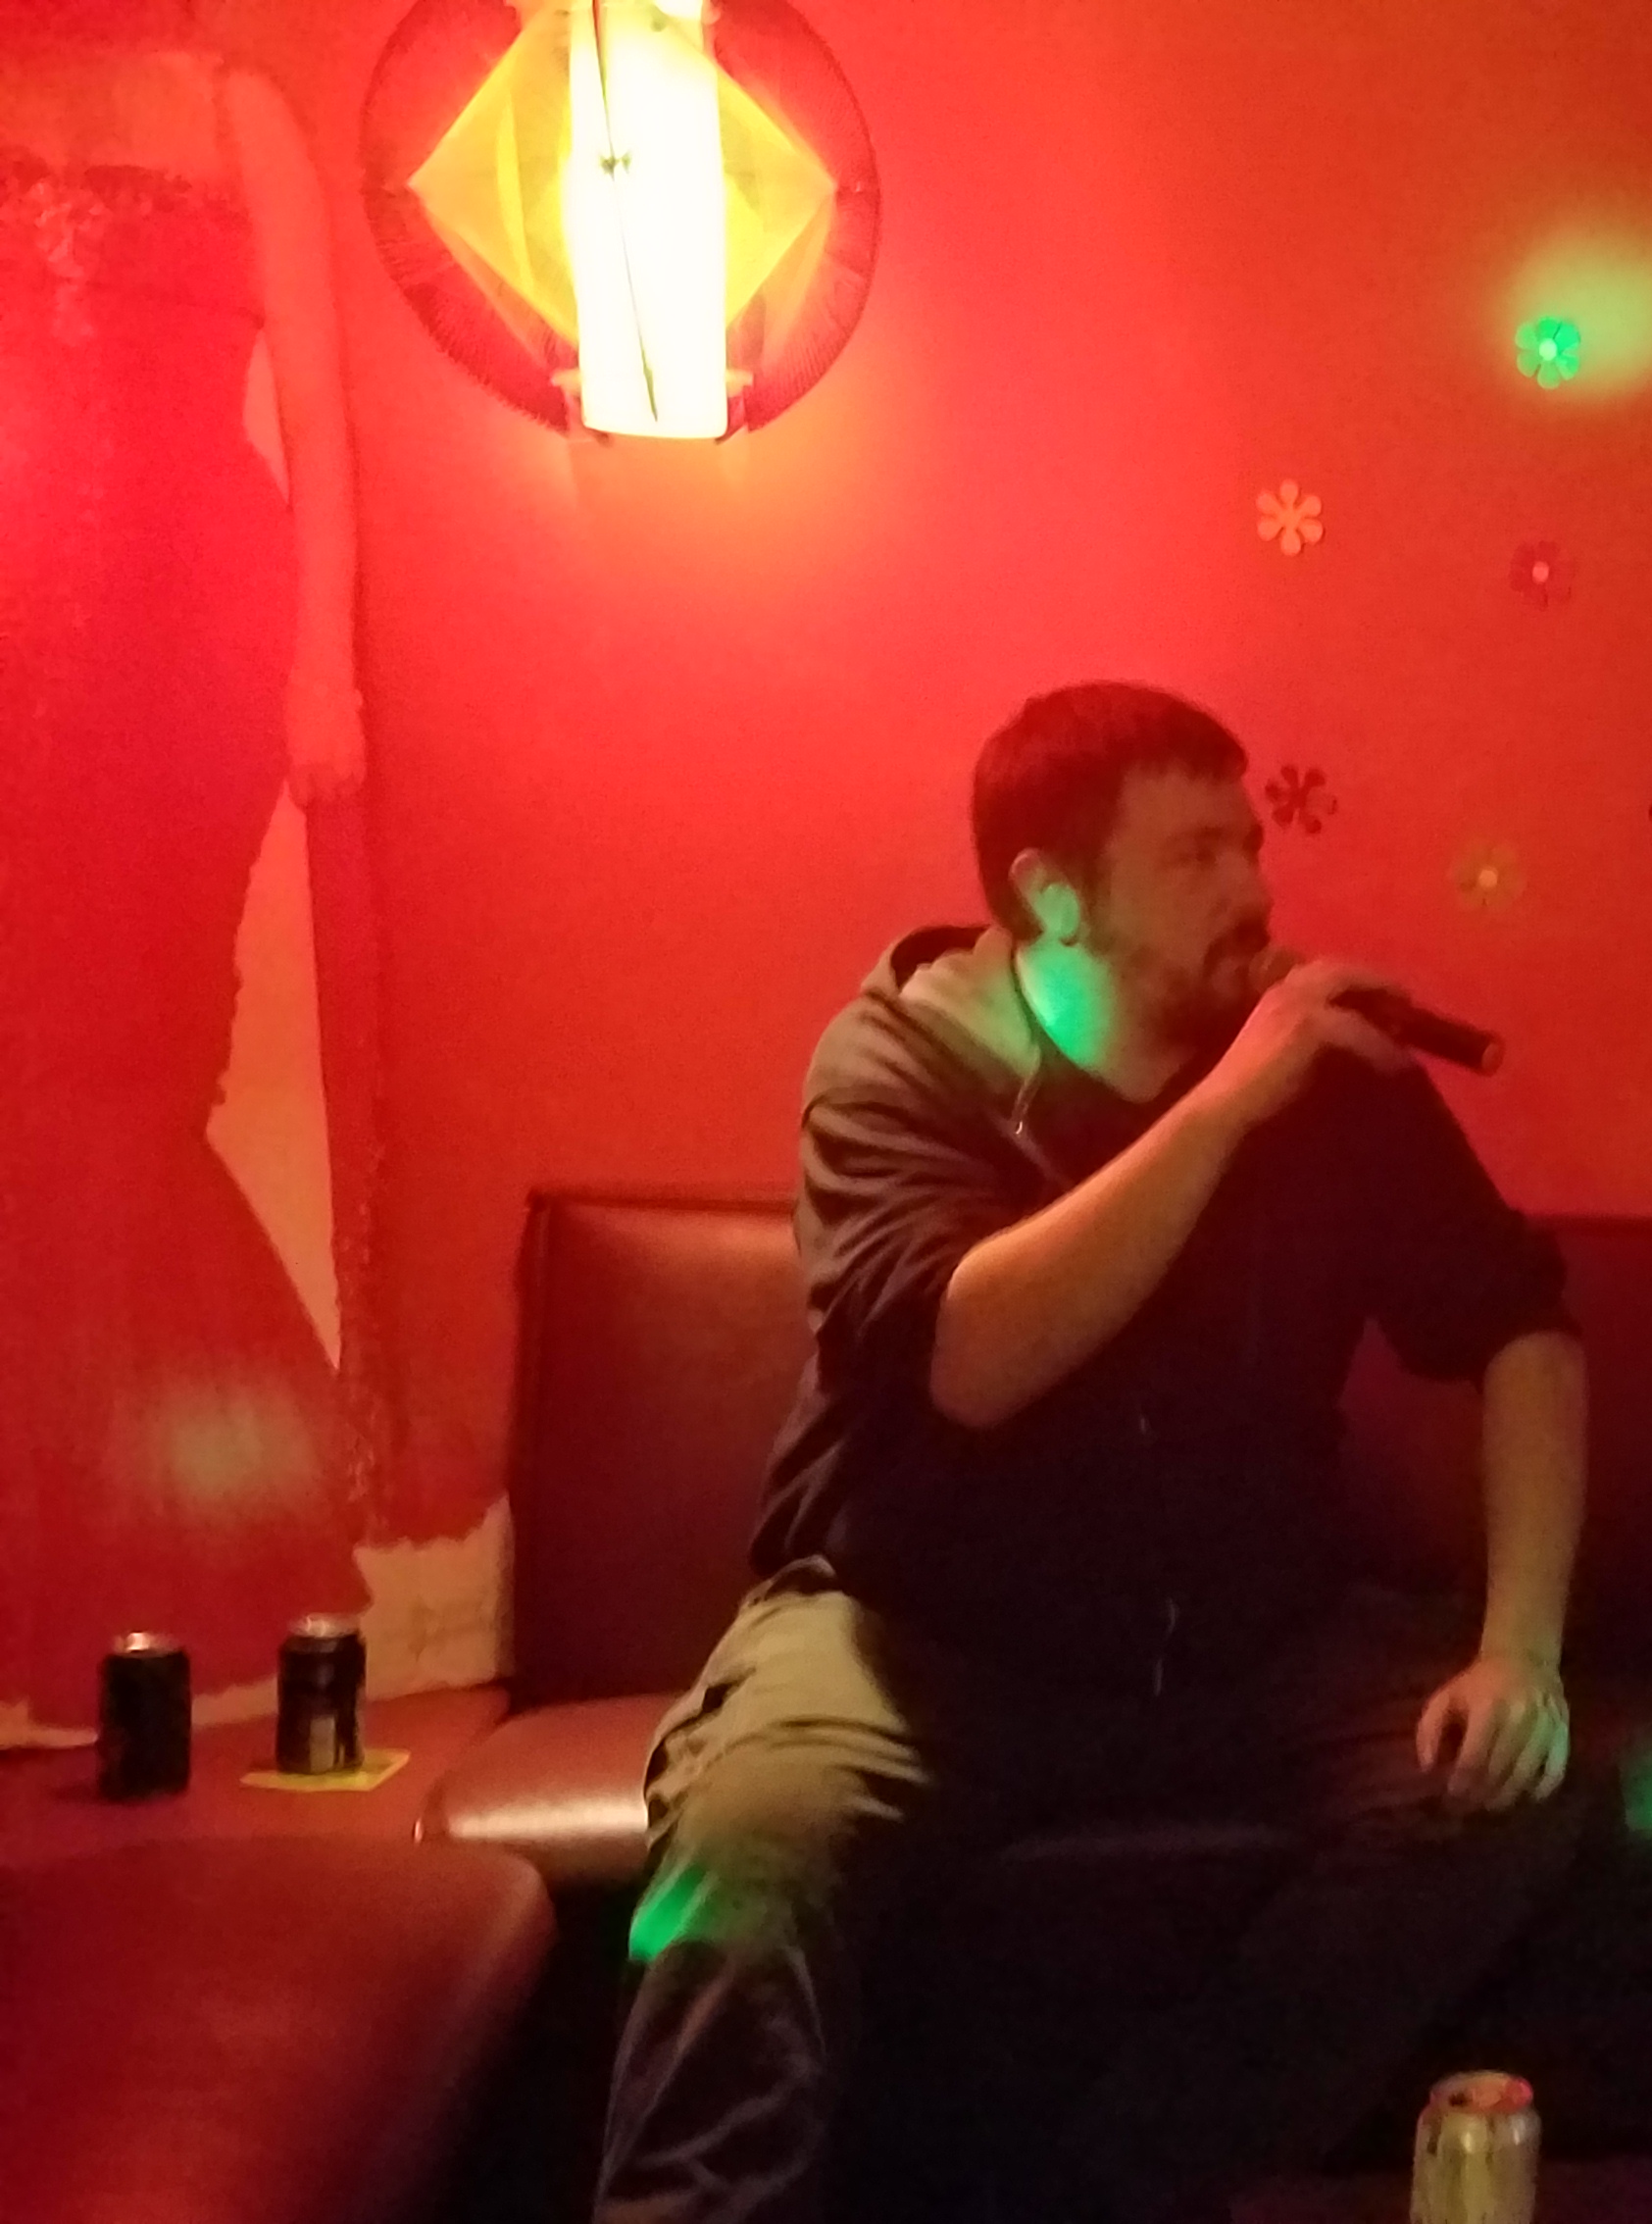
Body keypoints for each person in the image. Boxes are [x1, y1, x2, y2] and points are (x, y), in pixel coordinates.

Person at [594, 683, 1593, 2224]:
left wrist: (1519, 1647)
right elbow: (971, 1360)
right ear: (1051, 895)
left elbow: (1523, 1326)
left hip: (1248, 1648)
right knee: (749, 1854)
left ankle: (1112, 2189)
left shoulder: (1335, 1081)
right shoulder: (895, 1065)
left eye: (1249, 845)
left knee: (1514, 1796)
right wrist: (1222, 1111)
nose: (1251, 890)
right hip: (912, 1642)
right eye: (1195, 856)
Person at [0, 0, 374, 1736]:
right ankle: (100, 1567)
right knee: (33, 1090)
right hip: (14, 638)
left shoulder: (238, 113)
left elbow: (320, 411)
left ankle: (157, 1568)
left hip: (187, 627)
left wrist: (324, 668)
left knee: (132, 1079)